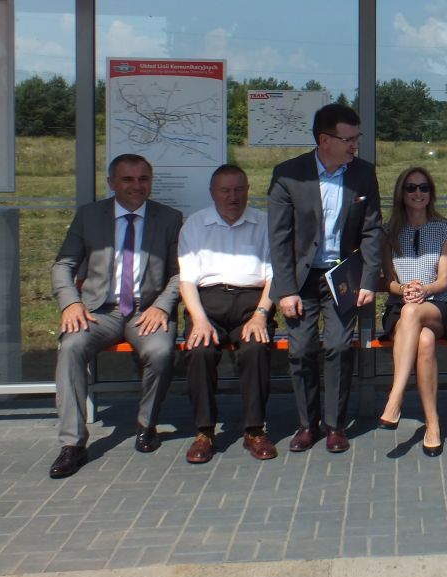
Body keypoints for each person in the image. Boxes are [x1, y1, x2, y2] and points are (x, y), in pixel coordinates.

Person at [48, 154, 182, 479]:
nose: (136, 186)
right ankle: (72, 444)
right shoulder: (89, 216)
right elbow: (63, 265)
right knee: (71, 347)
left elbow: (181, 273)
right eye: (127, 179)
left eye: (143, 179)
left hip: (146, 311)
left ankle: (146, 425)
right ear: (111, 183)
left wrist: (162, 306)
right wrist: (70, 303)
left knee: (161, 351)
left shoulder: (169, 218)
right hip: (98, 311)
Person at [267, 103, 383, 455]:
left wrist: (368, 280)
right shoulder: (289, 175)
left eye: (356, 138)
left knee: (337, 346)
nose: (354, 145)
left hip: (342, 277)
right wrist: (286, 290)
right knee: (301, 349)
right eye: (348, 139)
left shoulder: (363, 173)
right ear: (324, 140)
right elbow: (279, 238)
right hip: (301, 280)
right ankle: (307, 425)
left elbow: (372, 229)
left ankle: (335, 426)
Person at [177, 164, 277, 464]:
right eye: (225, 190)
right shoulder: (195, 225)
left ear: (248, 190)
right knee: (199, 350)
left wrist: (260, 315)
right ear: (212, 193)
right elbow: (187, 280)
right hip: (207, 303)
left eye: (239, 190)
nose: (233, 197)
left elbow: (275, 276)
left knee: (256, 348)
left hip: (252, 302)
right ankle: (204, 432)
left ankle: (255, 430)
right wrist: (199, 320)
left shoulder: (264, 223)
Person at [377, 166, 447, 457]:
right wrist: (403, 289)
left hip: (436, 306)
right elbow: (388, 280)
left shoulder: (446, 229)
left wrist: (424, 290)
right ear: (401, 193)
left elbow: (444, 280)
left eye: (424, 187)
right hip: (399, 307)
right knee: (424, 340)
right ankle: (432, 424)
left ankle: (396, 396)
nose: (418, 193)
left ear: (431, 193)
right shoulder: (388, 232)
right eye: (411, 187)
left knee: (413, 313)